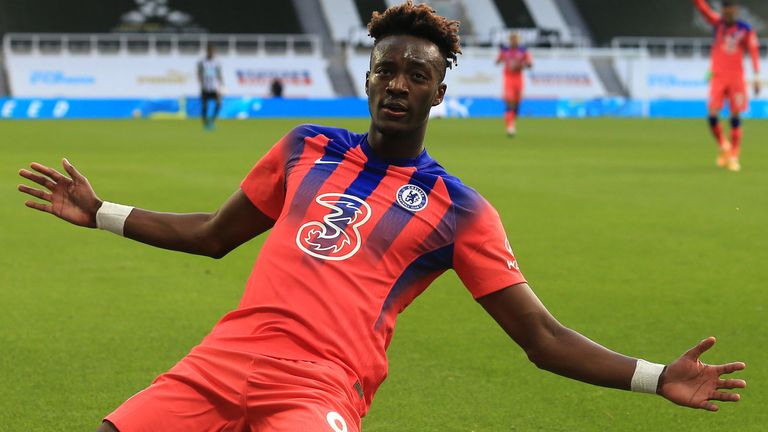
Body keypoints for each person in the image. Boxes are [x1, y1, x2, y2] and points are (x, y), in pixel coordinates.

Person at [18, 2, 746, 431]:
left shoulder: (460, 210)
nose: (397, 84)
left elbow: (542, 337)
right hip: (220, 360)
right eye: (386, 71)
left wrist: (657, 378)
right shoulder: (305, 149)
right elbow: (212, 236)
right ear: (368, 80)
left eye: (416, 75)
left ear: (438, 95)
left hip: (321, 387)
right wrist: (101, 212)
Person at [694, 0, 760, 172]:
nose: (727, 11)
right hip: (718, 77)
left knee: (735, 117)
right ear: (722, 10)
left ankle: (734, 156)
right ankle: (724, 145)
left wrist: (757, 75)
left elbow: (753, 51)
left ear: (735, 9)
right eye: (724, 8)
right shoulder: (717, 24)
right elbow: (703, 9)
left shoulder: (745, 29)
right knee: (712, 115)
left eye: (730, 7)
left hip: (736, 79)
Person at [496, 32, 532, 137]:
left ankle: (512, 121)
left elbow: (529, 64)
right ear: (510, 40)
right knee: (510, 103)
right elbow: (498, 61)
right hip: (509, 79)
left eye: (516, 39)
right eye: (512, 39)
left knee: (517, 105)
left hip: (519, 79)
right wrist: (500, 57)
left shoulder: (523, 51)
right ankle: (510, 127)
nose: (514, 41)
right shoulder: (505, 50)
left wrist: (522, 65)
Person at [197, 42, 224, 130]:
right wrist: (201, 83)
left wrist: (221, 85)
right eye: (209, 51)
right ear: (207, 51)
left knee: (219, 104)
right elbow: (199, 73)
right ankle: (205, 123)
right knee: (205, 106)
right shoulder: (202, 62)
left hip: (214, 88)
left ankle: (212, 120)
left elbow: (219, 74)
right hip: (205, 87)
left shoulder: (216, 62)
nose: (210, 52)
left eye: (212, 51)